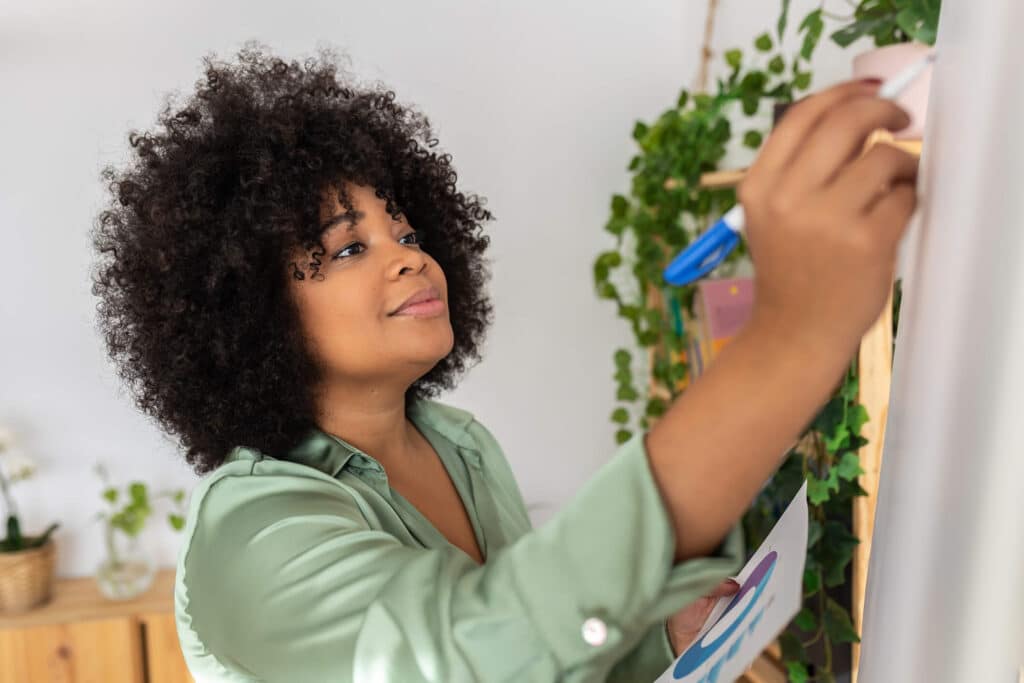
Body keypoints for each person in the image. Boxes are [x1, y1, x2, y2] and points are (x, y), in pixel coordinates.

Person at [90, 41, 916, 682]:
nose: (410, 258)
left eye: (408, 233)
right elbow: (471, 651)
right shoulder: (252, 533)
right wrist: (793, 337)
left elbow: (542, 655)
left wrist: (659, 637)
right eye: (347, 248)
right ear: (246, 307)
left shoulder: (462, 445)